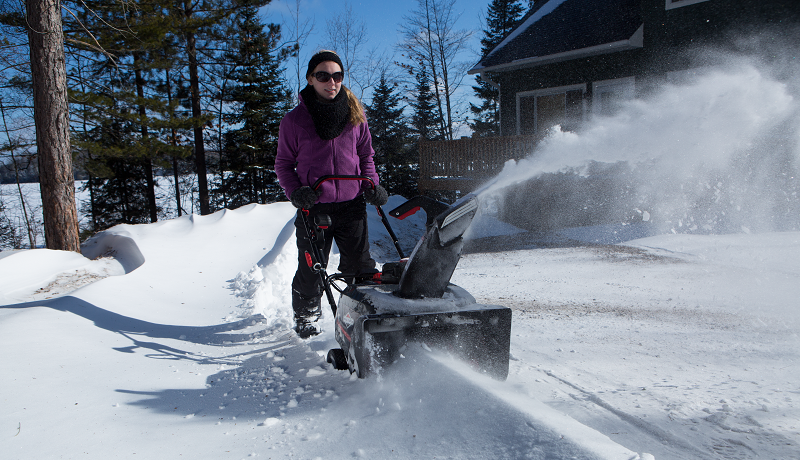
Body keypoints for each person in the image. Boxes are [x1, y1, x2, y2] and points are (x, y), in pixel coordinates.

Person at [275, 50, 388, 339]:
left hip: (351, 205)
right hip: (315, 207)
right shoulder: (295, 120)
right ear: (310, 79)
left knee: (360, 267)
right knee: (312, 268)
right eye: (323, 76)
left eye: (337, 76)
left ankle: (360, 317)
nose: (332, 82)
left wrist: (372, 185)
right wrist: (296, 192)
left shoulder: (355, 114)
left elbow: (366, 155)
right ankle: (307, 316)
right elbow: (284, 164)